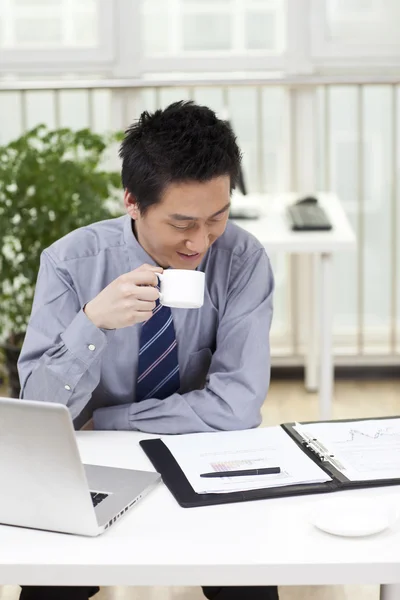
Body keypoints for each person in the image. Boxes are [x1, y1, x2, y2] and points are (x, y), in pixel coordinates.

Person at [17, 101, 276, 600]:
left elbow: (237, 406)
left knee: (248, 581)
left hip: (204, 456)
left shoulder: (242, 260)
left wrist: (112, 420)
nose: (201, 242)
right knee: (50, 585)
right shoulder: (72, 263)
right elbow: (40, 412)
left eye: (217, 218)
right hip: (88, 464)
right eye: (182, 224)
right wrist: (91, 324)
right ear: (132, 202)